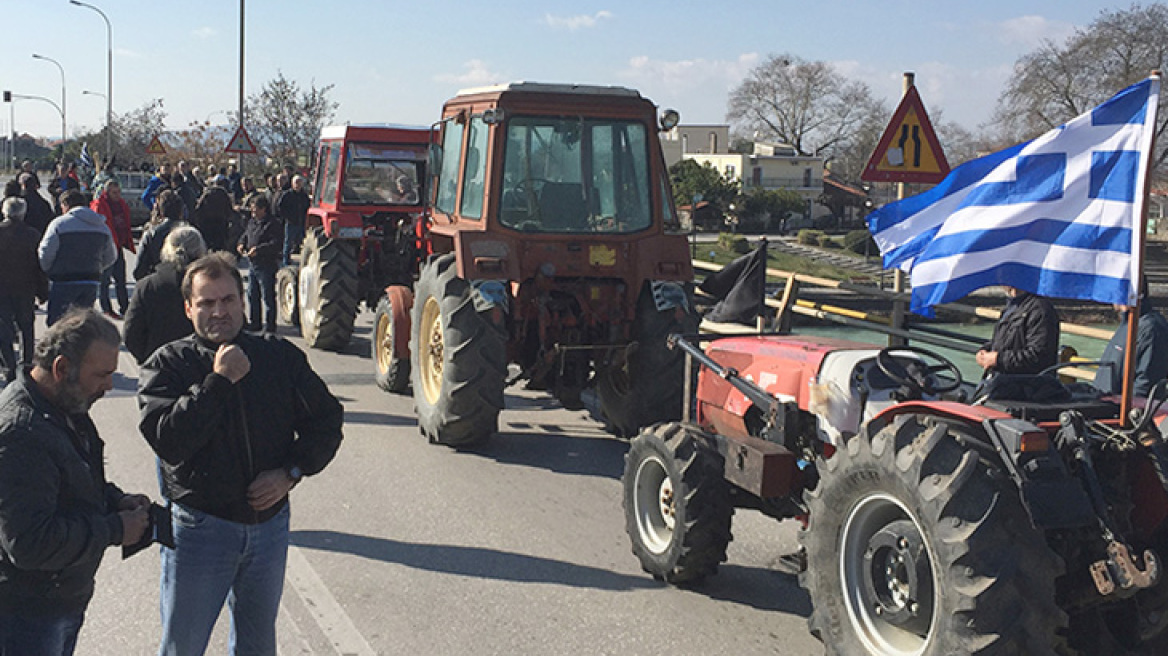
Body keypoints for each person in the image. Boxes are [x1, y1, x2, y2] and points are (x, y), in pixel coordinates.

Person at [137, 252, 343, 656]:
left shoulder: (277, 356)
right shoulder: (169, 364)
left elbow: (327, 420)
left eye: (228, 300)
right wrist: (219, 381)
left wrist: (292, 470)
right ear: (188, 308)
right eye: (207, 303)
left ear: (243, 301)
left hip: (268, 530)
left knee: (257, 644)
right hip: (200, 530)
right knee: (183, 644)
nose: (219, 311)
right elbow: (169, 441)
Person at [0, 309, 151, 655]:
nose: (110, 386)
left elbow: (74, 481)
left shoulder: (63, 406)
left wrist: (115, 500)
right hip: (27, 614)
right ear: (61, 368)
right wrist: (115, 529)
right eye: (101, 375)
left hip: (60, 600)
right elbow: (29, 543)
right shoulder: (21, 433)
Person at [124, 227, 205, 365]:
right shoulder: (211, 285)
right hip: (202, 364)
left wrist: (147, 358)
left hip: (158, 366)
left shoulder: (147, 286)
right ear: (201, 250)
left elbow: (131, 334)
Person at [38, 190, 116, 326]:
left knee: (58, 323)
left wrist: (49, 270)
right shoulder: (101, 226)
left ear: (66, 204)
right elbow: (111, 256)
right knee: (82, 323)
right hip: (90, 280)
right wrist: (97, 267)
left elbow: (45, 253)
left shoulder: (59, 225)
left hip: (64, 280)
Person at [0, 198, 47, 384]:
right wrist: (43, 291)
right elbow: (39, 267)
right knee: (26, 328)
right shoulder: (33, 235)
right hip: (26, 288)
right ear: (23, 213)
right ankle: (26, 364)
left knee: (3, 329)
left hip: (2, 289)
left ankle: (9, 365)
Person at [1095, 280, 1168, 398]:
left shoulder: (1151, 329)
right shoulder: (1128, 323)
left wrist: (1126, 409)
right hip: (1104, 402)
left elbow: (1146, 383)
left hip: (1120, 410)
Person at [975, 286, 1060, 376]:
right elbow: (1004, 340)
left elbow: (1038, 357)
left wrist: (998, 359)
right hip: (1001, 380)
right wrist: (984, 351)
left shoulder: (1040, 309)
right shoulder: (1012, 305)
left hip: (1024, 385)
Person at [237, 195, 283, 333]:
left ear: (264, 209)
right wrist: (241, 244)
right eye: (251, 210)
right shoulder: (252, 222)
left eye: (255, 210)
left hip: (266, 264)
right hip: (253, 264)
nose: (253, 213)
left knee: (267, 296)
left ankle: (270, 326)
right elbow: (246, 235)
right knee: (252, 294)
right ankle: (255, 322)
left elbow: (276, 244)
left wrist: (259, 250)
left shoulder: (273, 224)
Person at [92, 180, 136, 320]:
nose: (117, 195)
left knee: (120, 279)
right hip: (106, 248)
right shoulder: (100, 205)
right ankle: (107, 308)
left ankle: (125, 306)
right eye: (114, 193)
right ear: (107, 192)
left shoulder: (121, 204)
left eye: (119, 192)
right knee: (105, 280)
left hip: (118, 245)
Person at [136, 191, 186, 281]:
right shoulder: (191, 234)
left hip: (158, 280)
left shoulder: (151, 234)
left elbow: (139, 270)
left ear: (160, 211)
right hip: (184, 284)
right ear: (181, 211)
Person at [193, 180, 236, 252]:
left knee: (207, 245)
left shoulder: (206, 194)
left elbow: (198, 208)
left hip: (207, 224)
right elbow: (229, 209)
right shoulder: (223, 193)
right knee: (220, 246)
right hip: (221, 223)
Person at [277, 174, 310, 266]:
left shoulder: (304, 196)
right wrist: (287, 217)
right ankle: (286, 262)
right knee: (288, 243)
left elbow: (307, 207)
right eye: (296, 182)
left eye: (300, 183)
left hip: (301, 223)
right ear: (292, 184)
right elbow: (280, 207)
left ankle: (304, 262)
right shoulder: (287, 195)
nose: (298, 185)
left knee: (303, 243)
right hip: (291, 223)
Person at [20, 172, 55, 237]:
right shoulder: (44, 203)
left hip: (23, 235)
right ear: (36, 186)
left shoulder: (20, 202)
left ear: (24, 185)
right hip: (40, 234)